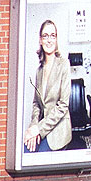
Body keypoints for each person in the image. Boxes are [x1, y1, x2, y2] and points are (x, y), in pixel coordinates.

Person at [24, 19, 72, 153]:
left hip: (57, 132)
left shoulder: (63, 65)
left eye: (53, 36)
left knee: (38, 158)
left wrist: (38, 129)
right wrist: (34, 127)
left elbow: (63, 105)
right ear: (40, 40)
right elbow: (36, 104)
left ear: (56, 39)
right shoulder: (39, 71)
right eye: (45, 36)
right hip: (41, 128)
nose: (49, 40)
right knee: (25, 152)